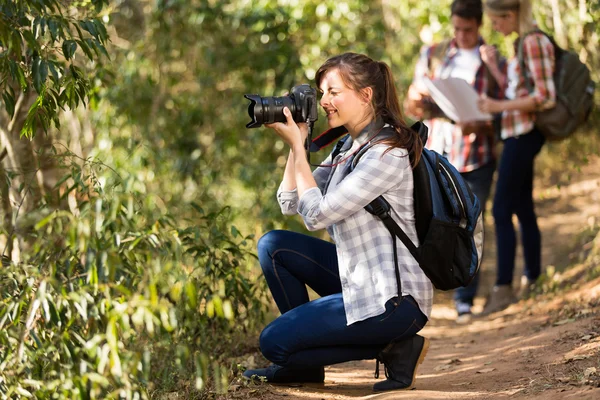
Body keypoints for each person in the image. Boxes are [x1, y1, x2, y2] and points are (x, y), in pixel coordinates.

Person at [242, 53, 433, 392]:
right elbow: (290, 203)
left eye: (333, 92)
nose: (324, 101)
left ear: (365, 95)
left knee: (273, 343)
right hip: (361, 281)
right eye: (321, 93)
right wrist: (296, 145)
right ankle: (304, 365)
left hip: (394, 301)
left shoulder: (387, 153)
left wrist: (300, 152)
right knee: (273, 245)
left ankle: (396, 347)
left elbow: (316, 215)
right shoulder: (348, 146)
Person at [404, 0, 505, 323]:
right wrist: (421, 100)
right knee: (430, 219)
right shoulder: (433, 53)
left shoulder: (493, 60)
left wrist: (482, 123)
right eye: (457, 28)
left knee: (471, 223)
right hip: (438, 153)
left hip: (477, 154)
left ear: (479, 26)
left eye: (468, 30)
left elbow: (507, 110)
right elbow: (412, 102)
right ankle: (426, 293)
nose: (461, 35)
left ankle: (465, 296)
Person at [477, 0, 555, 314]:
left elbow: (544, 97)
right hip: (516, 133)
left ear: (510, 15)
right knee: (522, 206)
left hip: (524, 135)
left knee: (502, 208)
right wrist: (496, 68)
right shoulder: (521, 44)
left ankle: (503, 287)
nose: (495, 28)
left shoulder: (535, 41)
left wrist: (496, 108)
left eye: (497, 21)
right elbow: (518, 92)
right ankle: (532, 277)